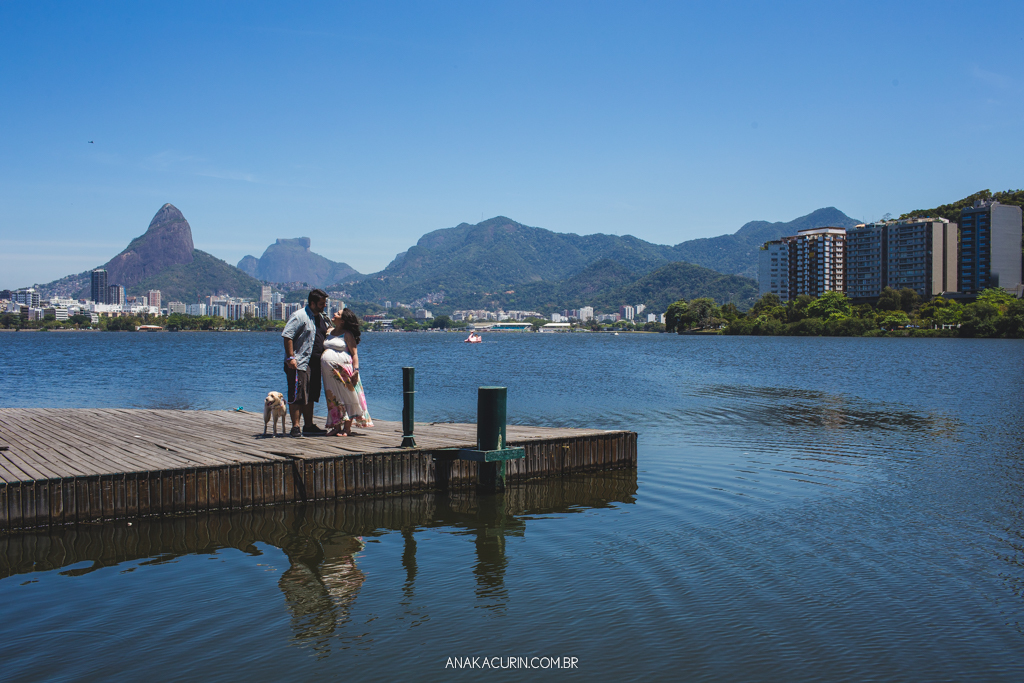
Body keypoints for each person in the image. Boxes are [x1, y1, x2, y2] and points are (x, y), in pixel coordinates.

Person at [282, 289, 331, 437]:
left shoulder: (323, 317)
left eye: (325, 303)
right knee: (297, 395)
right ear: (312, 303)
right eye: (321, 304)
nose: (324, 306)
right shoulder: (299, 316)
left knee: (311, 395)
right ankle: (295, 427)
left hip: (317, 363)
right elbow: (287, 335)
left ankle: (308, 425)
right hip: (300, 362)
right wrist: (291, 358)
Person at [320, 308, 373, 436]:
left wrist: (356, 371)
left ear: (343, 321)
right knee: (333, 398)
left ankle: (347, 428)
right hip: (329, 374)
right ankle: (336, 426)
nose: (334, 314)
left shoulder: (347, 334)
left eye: (337, 314)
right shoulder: (329, 332)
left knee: (347, 397)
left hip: (344, 371)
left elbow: (354, 354)